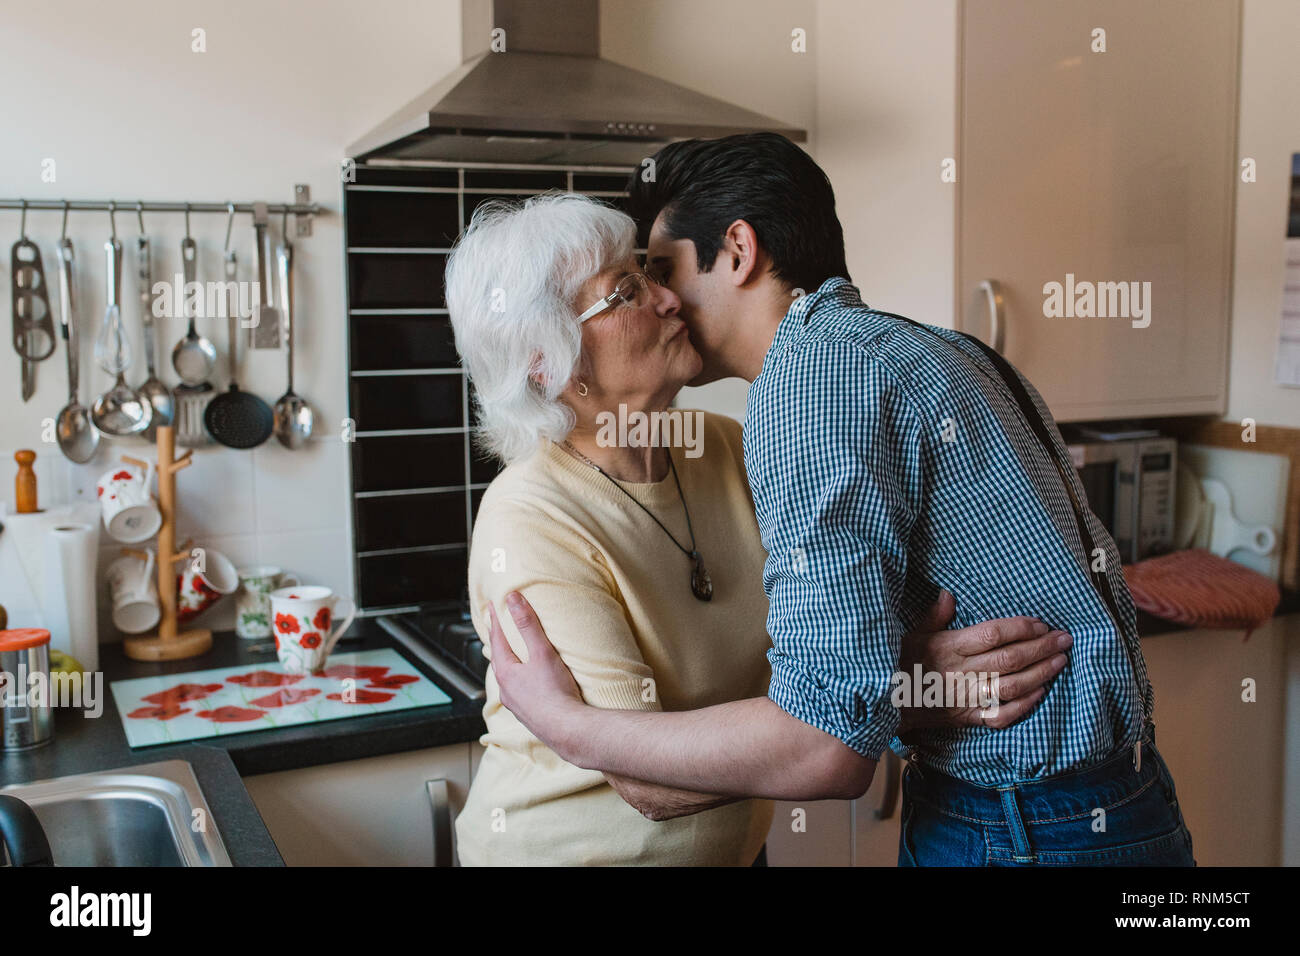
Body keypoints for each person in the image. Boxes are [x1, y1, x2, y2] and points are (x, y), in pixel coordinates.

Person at [482, 134, 1196, 866]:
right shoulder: (924, 346)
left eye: (658, 272)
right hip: (1101, 807)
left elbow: (825, 734)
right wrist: (902, 687)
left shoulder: (797, 400)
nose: (664, 298)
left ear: (738, 250)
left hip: (1027, 827)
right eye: (634, 286)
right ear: (549, 363)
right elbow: (808, 709)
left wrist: (566, 726)